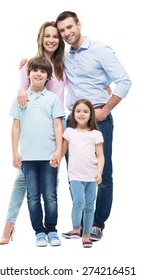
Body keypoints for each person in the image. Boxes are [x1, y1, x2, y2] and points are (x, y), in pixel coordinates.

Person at [55, 11, 132, 241]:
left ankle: (98, 224)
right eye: (62, 31)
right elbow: (45, 64)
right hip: (73, 121)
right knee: (75, 173)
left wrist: (106, 108)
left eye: (70, 27)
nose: (67, 33)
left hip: (98, 120)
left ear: (79, 24)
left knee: (102, 173)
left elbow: (125, 81)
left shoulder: (100, 49)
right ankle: (79, 225)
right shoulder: (65, 57)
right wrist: (25, 65)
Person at [0, 21, 66, 245]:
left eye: (55, 36)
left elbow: (83, 78)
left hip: (57, 124)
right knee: (25, 185)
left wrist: (103, 87)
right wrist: (15, 151)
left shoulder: (64, 63)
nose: (51, 40)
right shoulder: (30, 63)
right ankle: (13, 226)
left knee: (55, 184)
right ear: (41, 37)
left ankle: (64, 228)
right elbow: (22, 92)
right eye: (47, 35)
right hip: (32, 134)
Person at [10, 56, 65, 247]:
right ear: (29, 74)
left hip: (49, 156)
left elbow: (58, 126)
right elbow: (15, 127)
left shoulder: (52, 99)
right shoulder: (21, 98)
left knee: (50, 195)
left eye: (43, 71)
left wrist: (58, 151)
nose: (39, 74)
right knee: (33, 196)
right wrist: (15, 153)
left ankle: (51, 230)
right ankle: (39, 232)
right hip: (28, 157)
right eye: (35, 70)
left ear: (48, 77)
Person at [50, 99, 104, 248]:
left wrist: (99, 172)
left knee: (89, 206)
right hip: (75, 175)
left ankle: (86, 236)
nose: (81, 114)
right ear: (73, 114)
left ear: (90, 115)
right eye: (78, 111)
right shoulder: (69, 132)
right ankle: (76, 228)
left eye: (85, 111)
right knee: (79, 201)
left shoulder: (95, 134)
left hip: (91, 176)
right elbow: (63, 151)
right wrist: (57, 160)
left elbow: (100, 156)